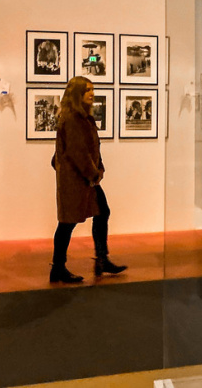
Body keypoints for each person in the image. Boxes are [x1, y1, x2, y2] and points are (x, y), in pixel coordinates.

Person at [50, 76, 127, 283]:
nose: (92, 94)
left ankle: (101, 259)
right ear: (77, 94)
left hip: (86, 180)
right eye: (87, 91)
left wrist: (97, 169)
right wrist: (93, 174)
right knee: (67, 223)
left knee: (101, 213)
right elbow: (78, 152)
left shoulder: (82, 117)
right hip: (78, 181)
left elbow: (88, 149)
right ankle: (58, 268)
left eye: (92, 90)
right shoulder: (73, 118)